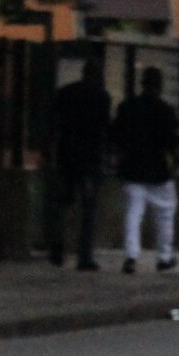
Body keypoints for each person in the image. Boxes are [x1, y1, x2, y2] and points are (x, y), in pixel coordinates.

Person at [110, 66, 179, 274]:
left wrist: (119, 156)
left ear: (142, 84)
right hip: (157, 170)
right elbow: (171, 142)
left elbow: (115, 136)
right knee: (165, 213)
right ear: (159, 86)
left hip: (132, 168)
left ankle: (131, 257)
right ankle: (164, 257)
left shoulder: (127, 107)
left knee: (133, 214)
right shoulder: (165, 110)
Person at [46, 62, 111, 269]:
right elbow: (104, 127)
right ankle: (84, 256)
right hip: (90, 158)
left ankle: (57, 247)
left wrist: (49, 148)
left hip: (67, 155)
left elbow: (54, 122)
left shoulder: (66, 93)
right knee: (88, 208)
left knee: (63, 204)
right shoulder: (102, 97)